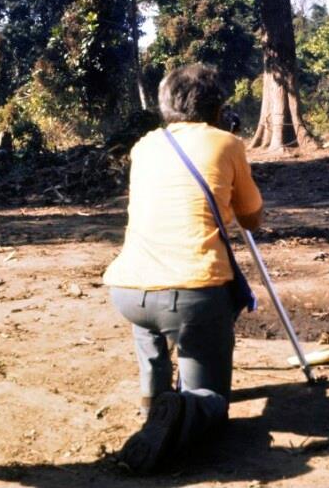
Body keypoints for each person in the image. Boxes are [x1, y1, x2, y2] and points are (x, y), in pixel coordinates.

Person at [104, 64, 264, 474]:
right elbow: (251, 218)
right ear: (217, 106)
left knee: (150, 328)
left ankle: (153, 403)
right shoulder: (227, 143)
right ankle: (184, 410)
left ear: (165, 106)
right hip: (192, 294)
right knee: (211, 400)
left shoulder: (143, 146)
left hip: (129, 290)